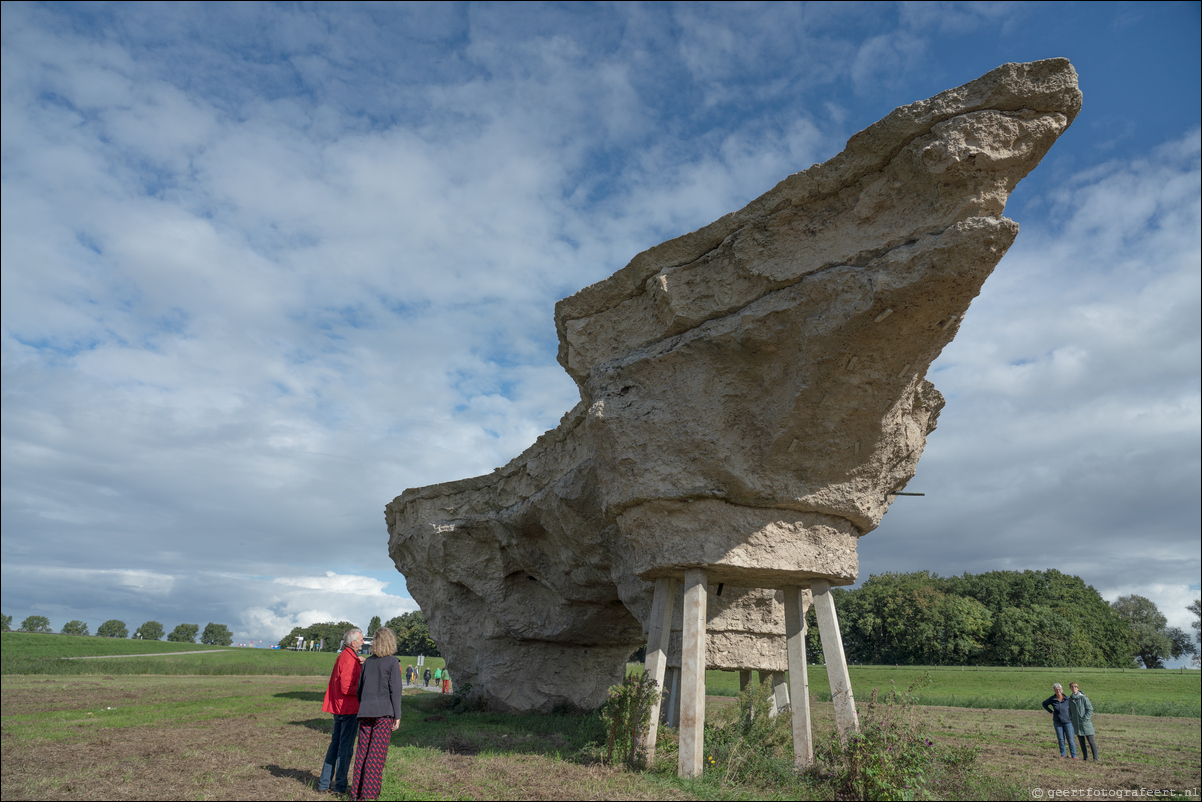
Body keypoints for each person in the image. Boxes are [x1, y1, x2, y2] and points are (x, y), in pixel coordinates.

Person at [350, 627, 403, 801]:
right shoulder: (393, 661)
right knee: (376, 756)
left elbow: (360, 689)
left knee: (362, 754)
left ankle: (356, 793)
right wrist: (397, 715)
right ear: (390, 642)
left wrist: (365, 704)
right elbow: (396, 690)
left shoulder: (368, 663)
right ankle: (368, 795)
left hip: (365, 712)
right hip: (383, 714)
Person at [317, 628, 365, 793]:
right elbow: (346, 687)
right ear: (353, 643)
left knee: (335, 745)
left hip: (340, 707)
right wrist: (362, 690)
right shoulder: (349, 659)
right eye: (361, 640)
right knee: (345, 748)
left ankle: (324, 784)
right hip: (348, 709)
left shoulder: (347, 656)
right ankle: (340, 786)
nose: (363, 642)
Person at [1042, 682, 1077, 758]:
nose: (1058, 691)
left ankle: (1074, 756)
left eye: (1059, 689)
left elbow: (1074, 707)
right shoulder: (1052, 699)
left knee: (1070, 739)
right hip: (1057, 722)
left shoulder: (1068, 699)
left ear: (1062, 690)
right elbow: (1044, 704)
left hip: (1068, 722)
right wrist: (1051, 711)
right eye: (1056, 689)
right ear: (1054, 690)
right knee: (1061, 739)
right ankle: (1063, 754)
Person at [1069, 682, 1100, 761]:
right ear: (1070, 689)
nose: (1074, 689)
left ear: (1078, 688)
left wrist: (1086, 718)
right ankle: (1085, 758)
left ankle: (1095, 758)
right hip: (1076, 724)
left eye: (1075, 687)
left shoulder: (1083, 698)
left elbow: (1090, 709)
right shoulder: (1071, 699)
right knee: (1081, 742)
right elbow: (1069, 710)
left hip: (1085, 723)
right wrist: (1071, 718)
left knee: (1091, 741)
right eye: (1072, 687)